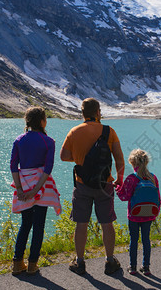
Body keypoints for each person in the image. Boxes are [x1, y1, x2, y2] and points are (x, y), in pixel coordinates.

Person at [60, 98, 125, 275]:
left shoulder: (74, 131)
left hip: (82, 185)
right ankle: (110, 261)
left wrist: (82, 158)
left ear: (83, 113)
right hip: (105, 185)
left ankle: (80, 262)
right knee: (107, 223)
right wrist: (119, 179)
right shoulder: (109, 131)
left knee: (81, 224)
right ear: (98, 112)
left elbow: (63, 156)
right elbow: (119, 159)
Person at [10, 107, 61, 276]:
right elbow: (48, 169)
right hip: (42, 187)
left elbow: (13, 166)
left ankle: (17, 263)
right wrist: (36, 190)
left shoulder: (19, 140)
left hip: (23, 185)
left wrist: (20, 189)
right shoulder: (49, 142)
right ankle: (32, 265)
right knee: (39, 226)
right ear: (42, 121)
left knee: (25, 224)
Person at [116, 149, 161, 276]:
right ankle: (146, 267)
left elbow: (124, 197)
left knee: (133, 240)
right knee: (146, 239)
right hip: (148, 215)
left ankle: (133, 267)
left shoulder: (132, 178)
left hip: (134, 215)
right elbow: (158, 198)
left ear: (132, 162)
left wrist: (118, 188)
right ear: (146, 162)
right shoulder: (153, 177)